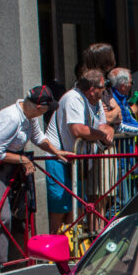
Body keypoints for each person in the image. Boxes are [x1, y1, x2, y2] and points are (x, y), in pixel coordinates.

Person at [0, 86, 73, 268]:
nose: (46, 111)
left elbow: (39, 138)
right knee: (1, 214)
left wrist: (56, 151)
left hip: (12, 165)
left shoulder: (30, 117)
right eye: (46, 108)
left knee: (20, 212)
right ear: (38, 107)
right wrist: (21, 159)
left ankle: (14, 259)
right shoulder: (12, 118)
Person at [44, 69, 114, 233]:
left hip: (77, 161)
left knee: (76, 205)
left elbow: (102, 125)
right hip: (58, 157)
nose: (103, 91)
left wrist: (108, 129)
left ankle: (70, 245)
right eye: (102, 88)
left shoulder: (96, 102)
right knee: (60, 205)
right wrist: (102, 134)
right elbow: (77, 130)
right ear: (92, 88)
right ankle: (56, 242)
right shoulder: (73, 98)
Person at [107, 68, 138, 136]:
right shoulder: (112, 100)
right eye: (131, 82)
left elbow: (131, 121)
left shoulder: (123, 99)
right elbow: (122, 127)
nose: (132, 85)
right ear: (123, 86)